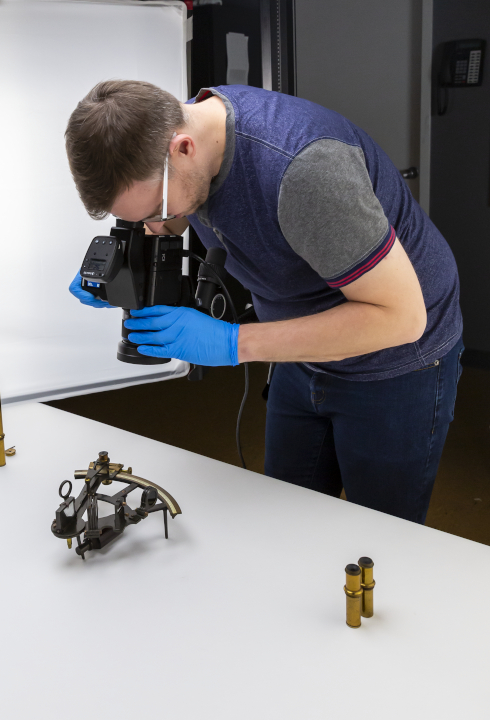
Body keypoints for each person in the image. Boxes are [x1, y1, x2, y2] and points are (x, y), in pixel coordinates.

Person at [65, 79, 463, 524]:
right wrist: (122, 270)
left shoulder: (304, 172)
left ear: (182, 149)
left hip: (394, 360)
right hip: (300, 350)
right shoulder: (192, 137)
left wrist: (233, 343)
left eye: (156, 212)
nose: (156, 225)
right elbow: (176, 214)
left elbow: (400, 318)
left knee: (381, 535)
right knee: (287, 517)